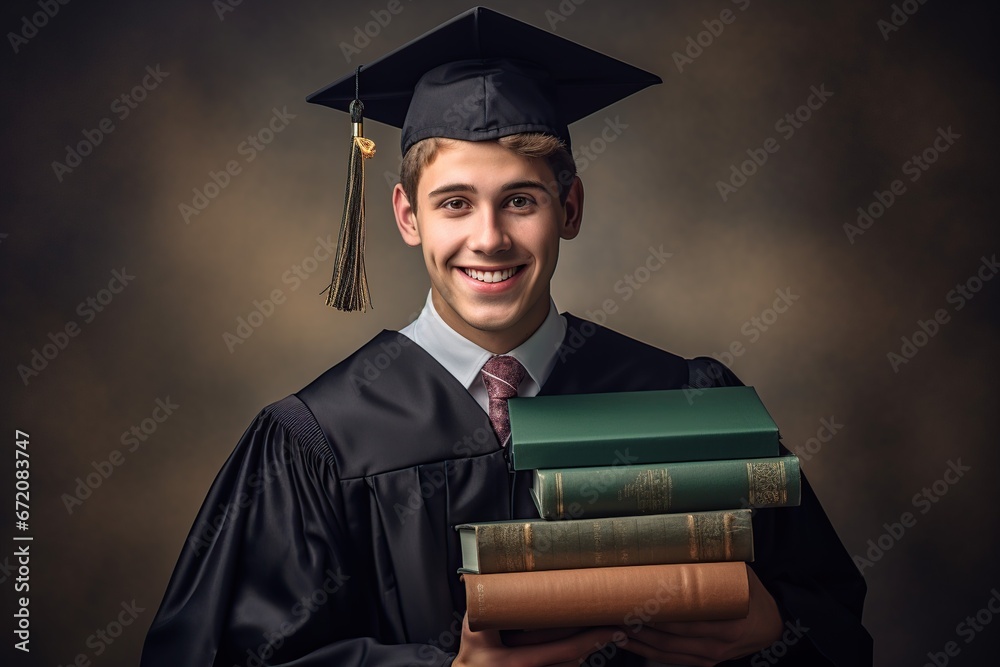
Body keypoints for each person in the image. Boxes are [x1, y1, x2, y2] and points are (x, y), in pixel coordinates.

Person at [141, 7, 872, 666]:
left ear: (571, 207)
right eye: (454, 203)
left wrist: (777, 628)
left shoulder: (684, 403)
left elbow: (840, 623)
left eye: (520, 200)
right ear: (406, 216)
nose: (488, 239)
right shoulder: (319, 441)